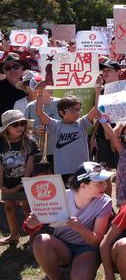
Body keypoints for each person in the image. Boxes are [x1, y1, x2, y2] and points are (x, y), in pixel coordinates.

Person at [25, 162, 114, 280]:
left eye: (104, 181)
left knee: (82, 277)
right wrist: (31, 224)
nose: (105, 185)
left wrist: (79, 227)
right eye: (99, 182)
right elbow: (31, 226)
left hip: (87, 249)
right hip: (62, 246)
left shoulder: (105, 202)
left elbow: (96, 242)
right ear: (83, 185)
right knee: (40, 242)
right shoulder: (61, 196)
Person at [34, 78, 101, 180]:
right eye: (72, 110)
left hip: (82, 170)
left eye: (78, 109)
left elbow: (97, 109)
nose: (77, 112)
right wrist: (40, 93)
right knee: (66, 195)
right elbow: (39, 112)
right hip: (62, 171)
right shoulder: (55, 125)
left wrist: (98, 91)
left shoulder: (82, 123)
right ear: (61, 113)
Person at [0, 110, 38, 244]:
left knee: (27, 208)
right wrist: (2, 186)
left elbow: (30, 162)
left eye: (22, 124)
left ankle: (33, 236)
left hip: (26, 181)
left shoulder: (29, 141)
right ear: (6, 128)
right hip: (8, 182)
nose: (20, 127)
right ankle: (14, 235)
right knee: (9, 208)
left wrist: (25, 182)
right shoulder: (1, 142)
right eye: (15, 125)